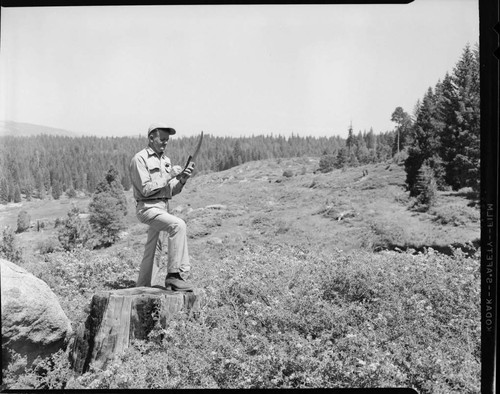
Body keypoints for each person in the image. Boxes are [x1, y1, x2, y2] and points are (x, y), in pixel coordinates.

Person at [129, 123, 195, 291]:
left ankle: (142, 287)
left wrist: (182, 179)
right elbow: (145, 189)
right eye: (162, 139)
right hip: (147, 208)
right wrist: (169, 175)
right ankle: (174, 276)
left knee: (153, 250)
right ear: (151, 138)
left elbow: (170, 190)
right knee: (178, 225)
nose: (165, 143)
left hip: (162, 207)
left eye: (167, 140)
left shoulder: (165, 161)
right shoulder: (139, 159)